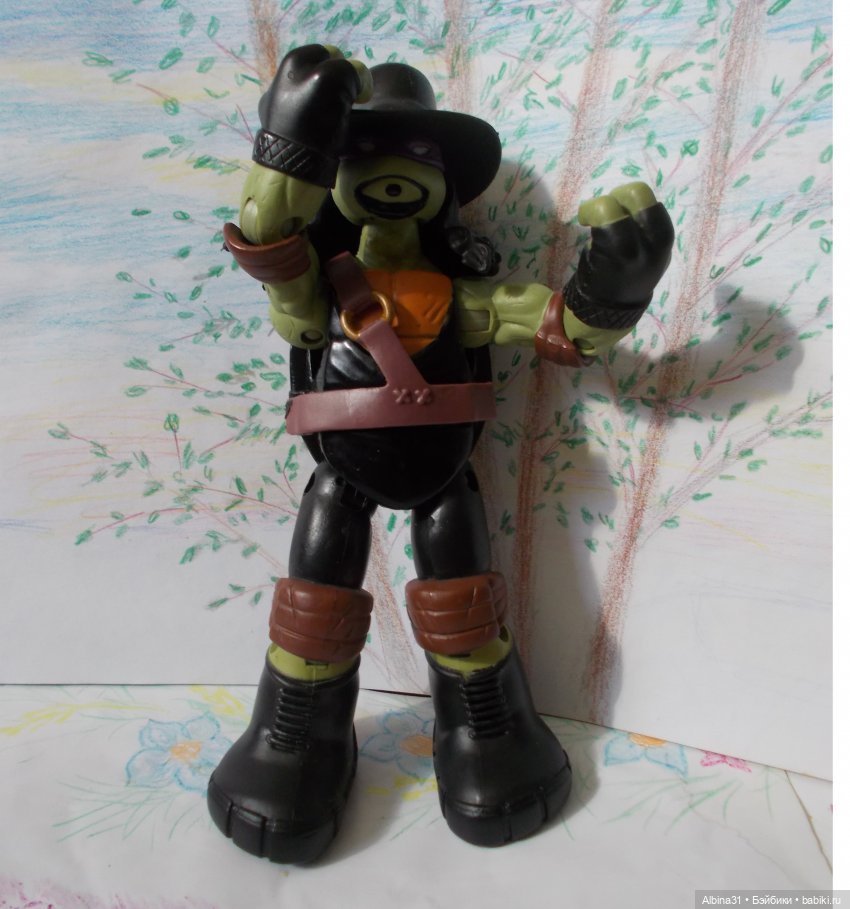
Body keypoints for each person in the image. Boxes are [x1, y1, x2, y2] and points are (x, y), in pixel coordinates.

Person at [208, 44, 674, 864]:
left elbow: (558, 328)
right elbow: (270, 249)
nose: (393, 174)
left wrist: (616, 288)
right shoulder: (320, 286)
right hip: (339, 475)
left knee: (463, 602)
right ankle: (294, 736)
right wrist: (288, 149)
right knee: (315, 607)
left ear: (444, 186)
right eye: (363, 152)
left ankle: (486, 731)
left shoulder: (463, 294)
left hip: (443, 477)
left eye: (418, 155)